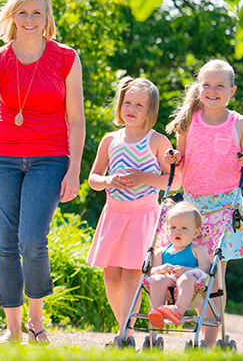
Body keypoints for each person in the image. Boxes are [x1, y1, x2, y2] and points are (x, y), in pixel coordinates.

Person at [0, 0, 85, 345]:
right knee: (4, 244)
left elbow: (76, 119)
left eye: (37, 12)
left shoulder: (66, 58)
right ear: (12, 16)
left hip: (49, 158)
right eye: (23, 12)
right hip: (0, 157)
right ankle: (12, 331)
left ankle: (36, 321)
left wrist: (74, 169)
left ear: (47, 17)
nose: (29, 19)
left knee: (32, 239)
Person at [164, 59, 243, 347]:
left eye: (220, 85)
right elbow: (180, 164)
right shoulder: (188, 122)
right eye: (206, 84)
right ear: (199, 88)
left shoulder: (240, 123)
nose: (212, 90)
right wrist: (173, 159)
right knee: (188, 268)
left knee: (215, 274)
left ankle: (207, 341)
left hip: (226, 207)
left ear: (232, 90)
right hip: (192, 208)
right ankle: (182, 315)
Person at [84, 77, 176, 331]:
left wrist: (143, 178)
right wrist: (108, 180)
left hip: (143, 215)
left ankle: (125, 332)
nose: (132, 109)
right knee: (111, 276)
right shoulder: (110, 140)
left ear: (150, 111)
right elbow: (93, 179)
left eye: (139, 105)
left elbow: (175, 181)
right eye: (127, 103)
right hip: (113, 215)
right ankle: (125, 327)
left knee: (133, 274)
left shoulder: (157, 141)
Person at [143, 201, 212, 329]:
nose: (178, 232)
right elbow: (152, 271)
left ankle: (177, 310)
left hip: (190, 281)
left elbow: (206, 268)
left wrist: (186, 270)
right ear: (168, 230)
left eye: (184, 228)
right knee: (157, 279)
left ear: (195, 233)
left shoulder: (197, 250)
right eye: (173, 228)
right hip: (169, 280)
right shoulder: (161, 252)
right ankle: (158, 311)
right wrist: (161, 269)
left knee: (185, 278)